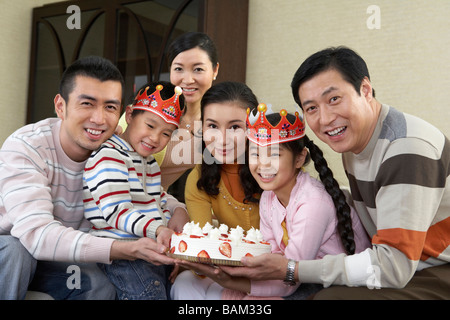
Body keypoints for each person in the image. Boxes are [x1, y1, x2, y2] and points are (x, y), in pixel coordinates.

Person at [223, 46, 450, 299]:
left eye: (333, 99)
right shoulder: (354, 142)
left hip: (435, 268)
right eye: (311, 108)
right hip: (402, 263)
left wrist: (293, 269)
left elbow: (394, 267)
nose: (326, 118)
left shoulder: (407, 149)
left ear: (365, 90)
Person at [0, 56, 173, 300]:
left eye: (110, 107)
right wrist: (123, 249)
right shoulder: (27, 147)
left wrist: (178, 213)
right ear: (61, 106)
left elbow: (144, 189)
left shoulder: (115, 149)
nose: (99, 119)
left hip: (57, 260)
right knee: (16, 251)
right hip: (14, 246)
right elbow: (36, 234)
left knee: (102, 283)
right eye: (87, 104)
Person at [174, 104, 370, 299]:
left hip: (331, 285)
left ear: (299, 159)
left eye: (274, 154)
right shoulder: (269, 195)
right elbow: (272, 254)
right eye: (255, 154)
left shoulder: (313, 204)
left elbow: (290, 277)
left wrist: (230, 281)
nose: (263, 163)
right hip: (293, 277)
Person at [83, 82, 190, 299]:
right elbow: (116, 211)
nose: (155, 138)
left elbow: (158, 203)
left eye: (166, 134)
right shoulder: (110, 155)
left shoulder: (148, 162)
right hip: (122, 254)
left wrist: (171, 238)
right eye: (150, 126)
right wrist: (159, 230)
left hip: (150, 249)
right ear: (130, 115)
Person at [170, 81, 262, 299]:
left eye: (235, 127)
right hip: (229, 267)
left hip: (274, 271)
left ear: (253, 127)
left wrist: (245, 285)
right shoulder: (199, 177)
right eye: (212, 126)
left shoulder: (269, 168)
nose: (222, 139)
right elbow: (204, 250)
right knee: (185, 283)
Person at [118, 32, 219, 194]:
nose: (187, 80)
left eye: (198, 69)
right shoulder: (143, 112)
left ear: (215, 70)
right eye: (179, 69)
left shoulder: (216, 125)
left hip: (159, 206)